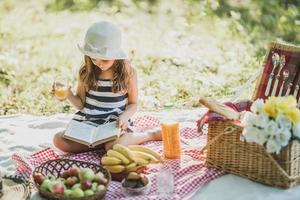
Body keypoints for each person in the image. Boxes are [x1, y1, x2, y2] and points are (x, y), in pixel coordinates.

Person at [53, 21, 161, 153]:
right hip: (89, 124)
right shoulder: (86, 72)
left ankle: (150, 135)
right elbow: (81, 105)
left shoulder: (128, 73)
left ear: (117, 56)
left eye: (105, 60)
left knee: (112, 146)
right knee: (58, 139)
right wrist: (68, 94)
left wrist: (124, 117)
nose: (99, 64)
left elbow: (133, 104)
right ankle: (99, 143)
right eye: (94, 59)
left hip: (114, 123)